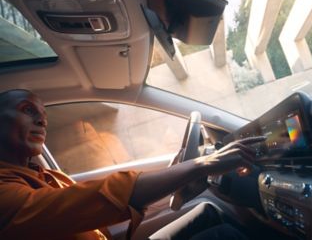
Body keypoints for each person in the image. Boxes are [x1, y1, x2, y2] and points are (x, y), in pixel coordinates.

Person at [0, 89, 264, 240]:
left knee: (208, 211)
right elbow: (88, 200)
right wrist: (201, 164)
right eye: (27, 110)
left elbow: (93, 214)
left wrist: (182, 172)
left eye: (44, 115)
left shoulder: (45, 175)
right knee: (225, 237)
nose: (42, 121)